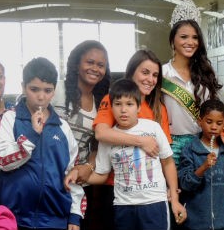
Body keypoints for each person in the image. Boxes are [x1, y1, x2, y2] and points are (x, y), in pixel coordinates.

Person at [65, 79, 187, 230]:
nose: (123, 110)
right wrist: (77, 174)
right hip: (123, 207)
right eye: (118, 104)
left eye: (129, 104)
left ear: (138, 107)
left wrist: (174, 200)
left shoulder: (152, 128)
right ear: (111, 106)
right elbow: (102, 175)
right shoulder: (108, 138)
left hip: (154, 204)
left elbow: (168, 162)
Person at [0, 57, 83, 230]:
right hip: (13, 219)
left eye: (48, 90)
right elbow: (1, 160)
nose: (41, 96)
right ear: (23, 87)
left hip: (55, 220)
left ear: (54, 90)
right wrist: (32, 134)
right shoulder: (9, 118)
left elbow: (72, 173)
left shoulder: (62, 127)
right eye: (34, 89)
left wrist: (74, 216)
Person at [51, 40, 111, 229]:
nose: (95, 68)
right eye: (90, 62)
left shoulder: (101, 102)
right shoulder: (56, 90)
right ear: (77, 64)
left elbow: (97, 144)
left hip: (79, 186)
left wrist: (88, 166)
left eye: (100, 65)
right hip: (49, 180)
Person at [163, 0, 222, 165]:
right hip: (171, 145)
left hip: (202, 143)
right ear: (172, 39)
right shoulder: (162, 73)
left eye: (195, 37)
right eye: (183, 37)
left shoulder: (206, 73)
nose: (190, 42)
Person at [178, 99, 224, 230]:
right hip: (197, 224)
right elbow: (186, 184)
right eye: (209, 122)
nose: (214, 127)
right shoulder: (190, 149)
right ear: (200, 121)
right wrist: (203, 167)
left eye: (219, 123)